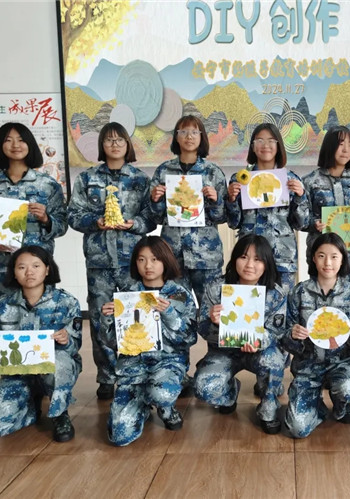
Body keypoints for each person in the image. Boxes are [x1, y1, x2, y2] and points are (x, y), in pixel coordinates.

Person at [68, 122, 156, 401]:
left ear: (128, 145)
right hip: (100, 262)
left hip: (133, 262)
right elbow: (73, 215)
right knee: (100, 319)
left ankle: (136, 371)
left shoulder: (140, 179)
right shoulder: (87, 178)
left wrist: (134, 224)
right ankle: (106, 376)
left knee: (136, 316)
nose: (115, 144)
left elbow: (151, 218)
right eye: (109, 140)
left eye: (120, 140)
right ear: (102, 145)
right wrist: (95, 221)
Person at [0, 246, 82, 442]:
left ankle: (60, 414)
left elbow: (74, 348)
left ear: (47, 269)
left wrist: (67, 340)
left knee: (59, 361)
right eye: (22, 267)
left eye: (36, 266)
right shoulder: (2, 306)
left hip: (54, 369)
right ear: (14, 272)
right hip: (18, 374)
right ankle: (31, 407)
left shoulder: (66, 302)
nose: (29, 272)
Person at [101, 236, 196, 446]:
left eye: (154, 259)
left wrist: (169, 314)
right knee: (119, 436)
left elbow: (189, 337)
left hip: (167, 362)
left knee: (161, 393)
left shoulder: (179, 295)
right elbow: (112, 342)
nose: (148, 266)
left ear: (165, 261)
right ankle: (141, 404)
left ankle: (166, 407)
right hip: (133, 366)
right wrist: (106, 318)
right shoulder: (127, 296)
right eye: (141, 260)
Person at [193, 235, 287, 434]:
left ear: (266, 264)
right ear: (234, 258)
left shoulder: (275, 293)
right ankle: (230, 391)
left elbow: (277, 332)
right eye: (243, 257)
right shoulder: (216, 288)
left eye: (257, 259)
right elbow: (202, 329)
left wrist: (258, 341)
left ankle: (268, 407)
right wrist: (213, 322)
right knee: (203, 388)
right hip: (223, 351)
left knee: (274, 362)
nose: (249, 265)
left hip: (258, 351)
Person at [0, 122, 67, 311]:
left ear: (30, 144)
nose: (15, 145)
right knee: (1, 314)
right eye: (8, 140)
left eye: (21, 140)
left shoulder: (47, 185)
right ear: (0, 145)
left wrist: (46, 219)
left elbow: (62, 225)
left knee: (39, 313)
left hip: (35, 267)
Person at [283, 233, 350, 438]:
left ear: (343, 259)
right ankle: (317, 406)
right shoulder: (299, 292)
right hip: (308, 366)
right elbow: (284, 338)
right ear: (313, 258)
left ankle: (341, 403)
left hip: (342, 364)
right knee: (297, 429)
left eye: (334, 256)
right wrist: (293, 335)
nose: (327, 262)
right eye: (321, 256)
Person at [148, 115, 228, 305]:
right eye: (183, 132)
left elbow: (224, 216)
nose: (189, 136)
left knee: (212, 309)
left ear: (202, 137)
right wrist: (156, 200)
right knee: (176, 308)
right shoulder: (163, 171)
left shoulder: (213, 172)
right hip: (173, 254)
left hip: (206, 255)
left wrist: (215, 200)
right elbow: (155, 218)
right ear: (176, 137)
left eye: (194, 132)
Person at [225, 123, 310, 295]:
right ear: (252, 146)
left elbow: (302, 223)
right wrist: (232, 199)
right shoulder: (240, 179)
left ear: (278, 146)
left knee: (281, 304)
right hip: (250, 259)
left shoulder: (290, 179)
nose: (265, 145)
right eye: (260, 141)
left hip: (282, 256)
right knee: (249, 303)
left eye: (271, 141)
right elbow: (233, 223)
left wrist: (300, 196)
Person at [303, 125, 350, 288]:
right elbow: (298, 219)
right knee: (321, 300)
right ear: (329, 146)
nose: (346, 150)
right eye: (341, 144)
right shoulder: (310, 182)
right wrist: (314, 224)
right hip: (324, 259)